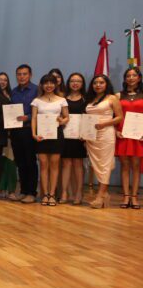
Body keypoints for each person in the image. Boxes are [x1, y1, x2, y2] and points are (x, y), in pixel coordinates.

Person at [84, 74, 123, 208]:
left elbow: (119, 117)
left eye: (101, 82)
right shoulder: (90, 99)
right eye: (95, 83)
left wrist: (104, 124)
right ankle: (105, 194)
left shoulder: (112, 98)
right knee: (96, 165)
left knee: (105, 164)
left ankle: (100, 196)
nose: (98, 85)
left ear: (107, 84)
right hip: (91, 136)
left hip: (106, 134)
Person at [30, 74, 69, 205]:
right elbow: (34, 118)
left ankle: (52, 194)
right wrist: (33, 134)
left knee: (54, 164)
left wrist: (62, 120)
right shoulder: (36, 101)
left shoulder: (62, 100)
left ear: (55, 84)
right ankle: (45, 194)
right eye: (46, 83)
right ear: (42, 85)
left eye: (51, 83)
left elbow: (66, 117)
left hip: (56, 134)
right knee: (43, 164)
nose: (49, 85)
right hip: (41, 135)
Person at [9, 64, 39, 203]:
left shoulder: (36, 90)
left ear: (30, 75)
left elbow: (41, 110)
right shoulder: (13, 91)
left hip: (29, 130)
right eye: (19, 74)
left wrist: (28, 117)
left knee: (30, 161)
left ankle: (32, 192)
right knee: (20, 162)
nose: (21, 77)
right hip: (16, 131)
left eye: (24, 74)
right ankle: (23, 191)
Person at [115, 67, 143, 209]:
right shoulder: (118, 95)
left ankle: (134, 196)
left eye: (134, 75)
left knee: (136, 166)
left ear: (139, 78)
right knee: (125, 165)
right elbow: (113, 116)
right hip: (123, 134)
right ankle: (126, 196)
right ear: (125, 79)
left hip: (139, 135)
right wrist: (115, 131)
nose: (131, 78)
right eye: (128, 76)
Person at [60, 73, 88, 205]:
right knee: (66, 164)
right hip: (65, 135)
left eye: (78, 81)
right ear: (68, 83)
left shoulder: (86, 99)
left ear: (82, 84)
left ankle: (78, 193)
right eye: (72, 81)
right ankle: (64, 192)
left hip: (80, 137)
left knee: (78, 164)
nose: (75, 83)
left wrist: (86, 134)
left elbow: (89, 118)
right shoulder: (62, 99)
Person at [0, 71, 18, 200]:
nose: (2, 82)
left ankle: (11, 190)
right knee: (0, 163)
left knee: (11, 163)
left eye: (5, 80)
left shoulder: (13, 96)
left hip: (10, 134)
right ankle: (1, 188)